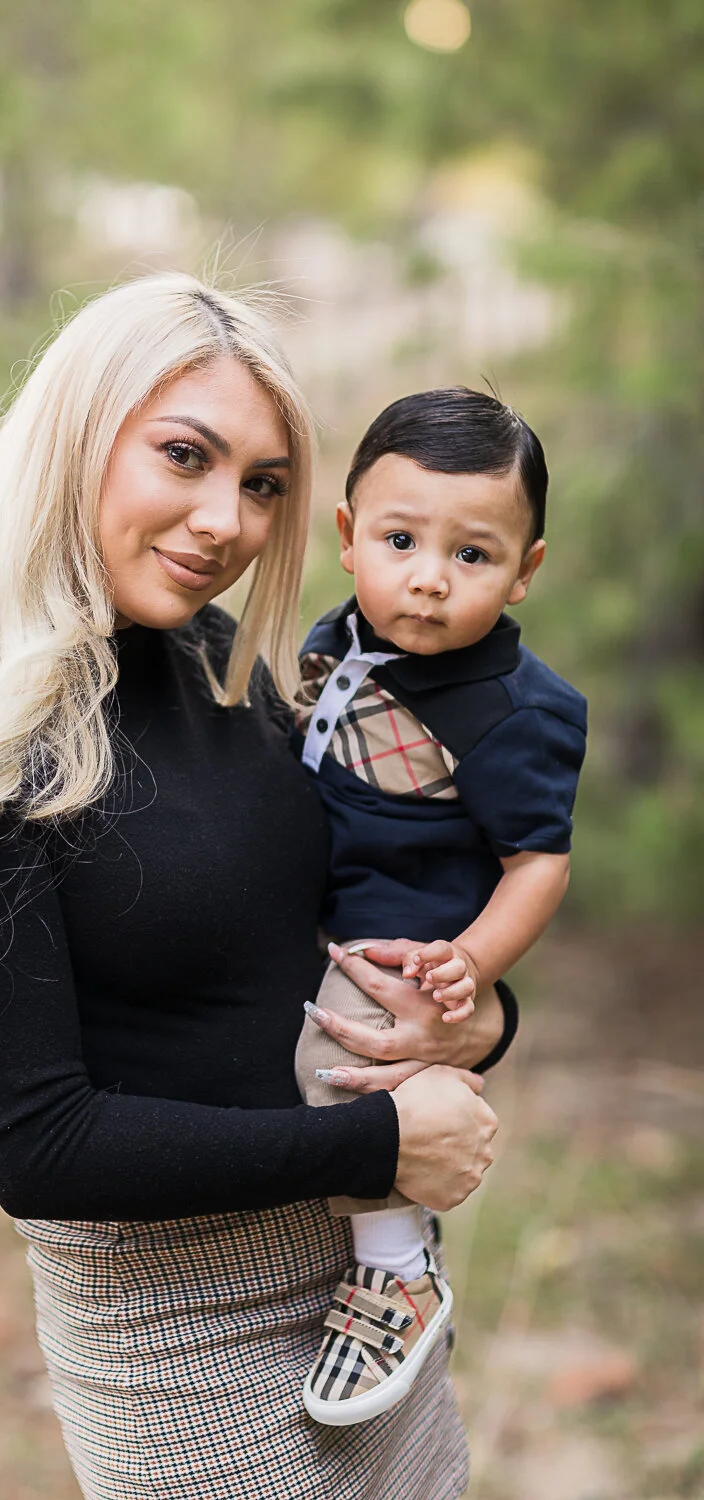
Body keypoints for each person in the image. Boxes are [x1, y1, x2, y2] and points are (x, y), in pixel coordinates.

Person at [0, 276, 507, 1500]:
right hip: (181, 1353)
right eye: (183, 456)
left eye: (263, 484)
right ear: (75, 439)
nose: (225, 520)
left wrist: (473, 1013)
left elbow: (346, 919)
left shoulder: (227, 672)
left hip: (378, 1301)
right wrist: (378, 1138)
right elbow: (39, 1146)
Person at [294, 388, 587, 1427]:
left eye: (472, 555)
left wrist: (469, 963)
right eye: (400, 539)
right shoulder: (339, 637)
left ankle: (395, 1270)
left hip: (401, 936)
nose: (426, 577)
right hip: (314, 899)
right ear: (347, 537)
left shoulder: (513, 712)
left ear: (524, 570)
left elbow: (538, 863)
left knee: (336, 1061)